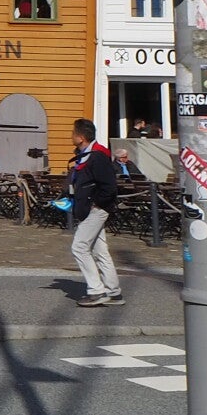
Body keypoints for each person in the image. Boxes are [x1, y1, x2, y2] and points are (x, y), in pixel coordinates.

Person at [69, 119, 123, 307]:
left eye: (73, 133)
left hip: (96, 209)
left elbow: (109, 186)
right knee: (100, 251)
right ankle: (113, 291)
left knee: (79, 246)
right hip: (91, 208)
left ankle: (96, 291)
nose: (71, 136)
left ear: (81, 137)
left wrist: (96, 204)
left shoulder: (97, 157)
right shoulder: (86, 155)